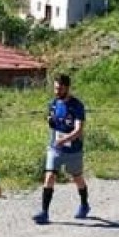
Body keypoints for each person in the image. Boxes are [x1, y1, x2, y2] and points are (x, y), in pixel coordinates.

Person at [32, 73, 89, 224]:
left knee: (77, 178)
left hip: (73, 150)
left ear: (67, 88)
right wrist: (50, 121)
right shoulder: (53, 104)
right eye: (55, 88)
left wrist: (64, 139)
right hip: (55, 148)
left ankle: (84, 204)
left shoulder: (77, 106)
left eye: (60, 88)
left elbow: (79, 130)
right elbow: (53, 122)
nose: (57, 91)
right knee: (49, 176)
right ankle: (44, 212)